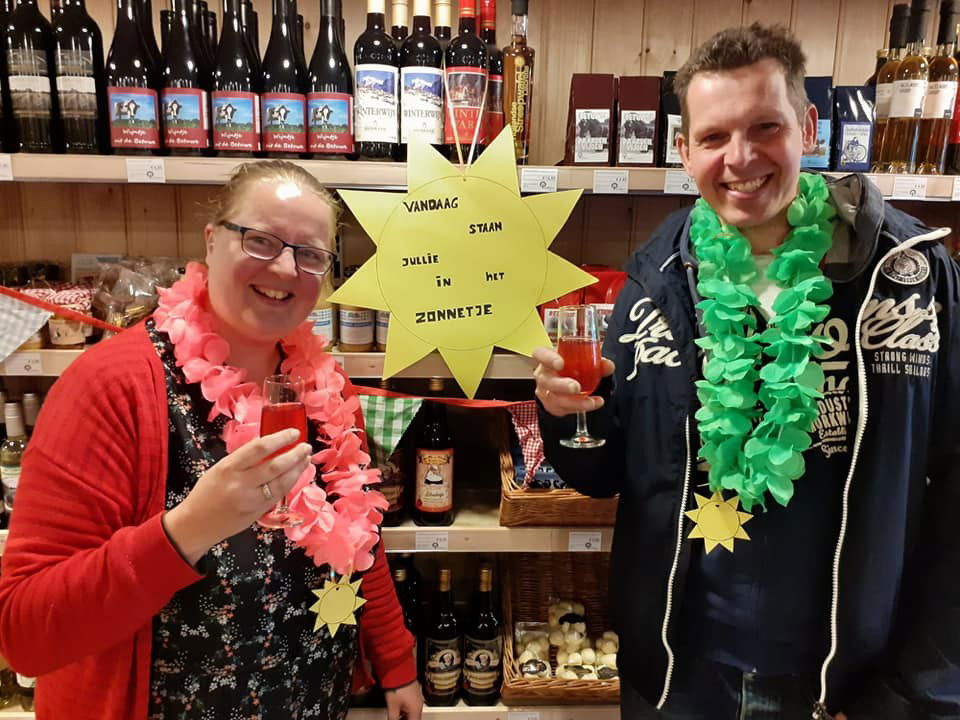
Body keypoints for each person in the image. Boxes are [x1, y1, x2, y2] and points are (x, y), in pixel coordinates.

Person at [534, 24, 960, 720]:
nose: (740, 158)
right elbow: (606, 473)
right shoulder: (656, 276)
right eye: (713, 137)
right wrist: (566, 417)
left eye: (766, 126)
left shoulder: (909, 276)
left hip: (845, 683)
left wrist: (915, 689)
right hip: (678, 676)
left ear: (808, 127)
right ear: (684, 150)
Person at [0, 161, 424, 720]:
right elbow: (24, 634)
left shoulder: (325, 385)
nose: (285, 267)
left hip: (315, 700)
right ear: (211, 241)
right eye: (260, 240)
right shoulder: (108, 387)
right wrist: (187, 530)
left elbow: (359, 534)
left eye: (310, 254)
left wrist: (395, 661)